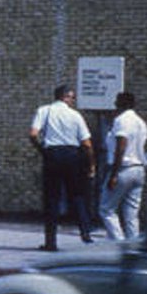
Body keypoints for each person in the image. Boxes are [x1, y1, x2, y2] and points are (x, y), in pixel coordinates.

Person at [29, 85, 95, 251]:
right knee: (77, 195)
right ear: (65, 97)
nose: (73, 101)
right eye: (72, 98)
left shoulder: (44, 110)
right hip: (73, 155)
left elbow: (33, 134)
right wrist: (91, 164)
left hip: (53, 155)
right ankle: (85, 234)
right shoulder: (75, 115)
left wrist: (43, 150)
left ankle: (51, 242)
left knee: (52, 199)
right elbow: (87, 144)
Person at [99, 92, 147, 241]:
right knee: (131, 214)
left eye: (117, 101)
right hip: (139, 169)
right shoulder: (141, 122)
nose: (114, 104)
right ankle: (133, 246)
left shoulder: (121, 120)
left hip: (123, 168)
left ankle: (119, 244)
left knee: (106, 209)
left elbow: (121, 146)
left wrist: (114, 174)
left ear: (121, 104)